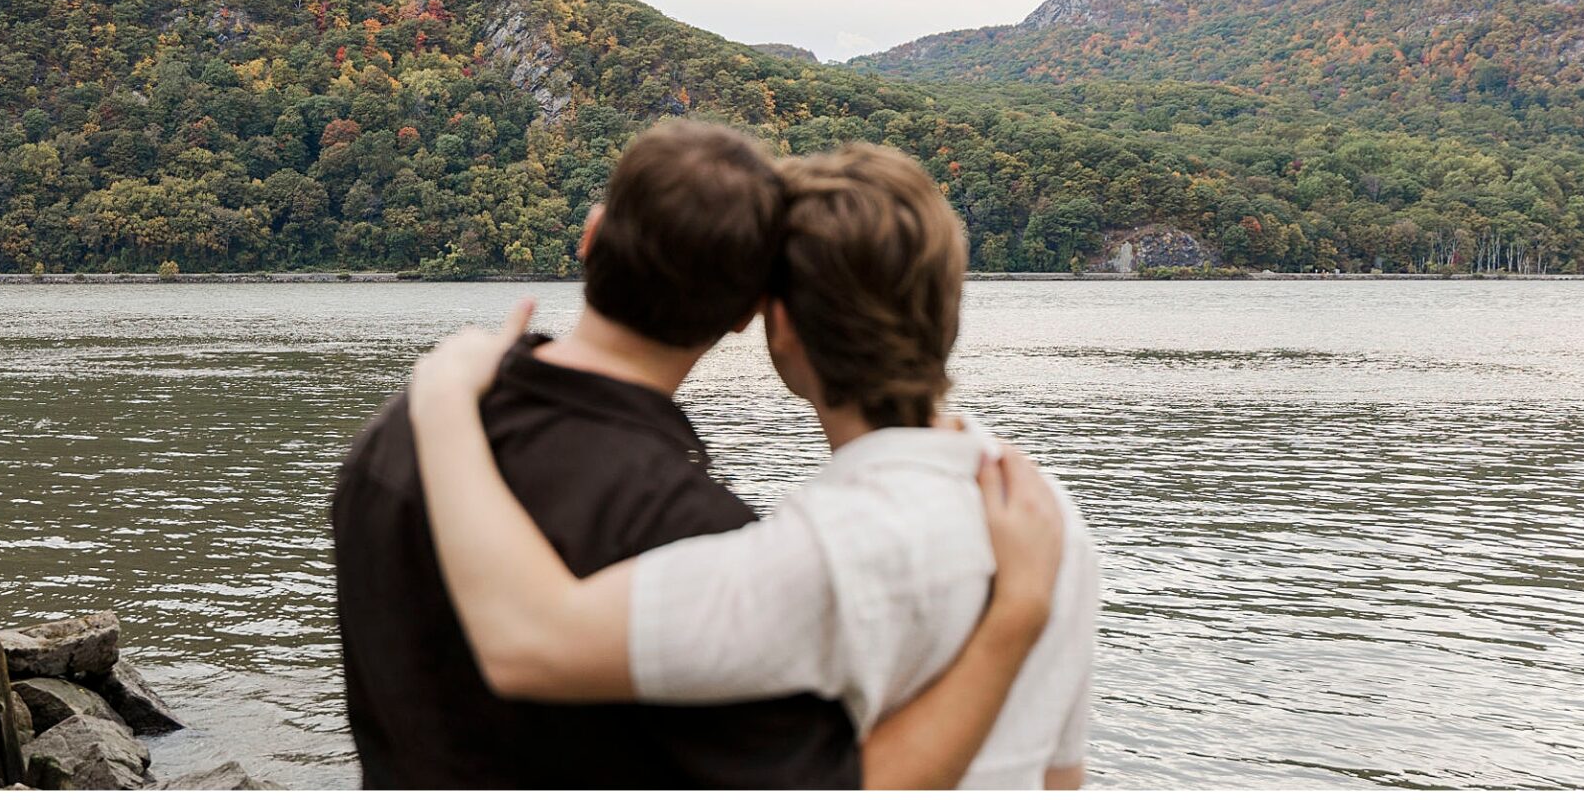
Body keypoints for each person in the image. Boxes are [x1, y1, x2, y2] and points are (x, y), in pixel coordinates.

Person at [331, 121, 1066, 790]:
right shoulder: (699, 535)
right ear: (749, 313)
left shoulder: (398, 433)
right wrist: (1012, 621)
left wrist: (438, 394)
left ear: (589, 239)